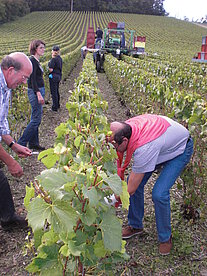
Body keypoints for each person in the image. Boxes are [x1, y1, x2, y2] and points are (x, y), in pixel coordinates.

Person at [110, 114, 193, 255]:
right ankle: (135, 226)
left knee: (159, 194)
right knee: (134, 179)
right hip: (162, 144)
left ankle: (165, 238)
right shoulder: (128, 127)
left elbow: (130, 189)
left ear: (124, 141)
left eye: (114, 146)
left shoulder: (144, 147)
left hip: (179, 149)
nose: (113, 149)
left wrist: (109, 201)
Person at [0, 52, 33, 230]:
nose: (25, 82)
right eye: (24, 77)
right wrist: (11, 161)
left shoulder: (6, 88)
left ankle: (7, 218)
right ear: (11, 70)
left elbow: (2, 122)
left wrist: (13, 145)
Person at [18, 40, 45, 151]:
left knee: (35, 117)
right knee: (36, 120)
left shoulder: (36, 61)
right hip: (35, 92)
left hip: (38, 90)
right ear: (35, 49)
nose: (43, 50)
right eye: (41, 48)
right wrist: (38, 93)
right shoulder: (32, 61)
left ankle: (33, 143)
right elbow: (32, 79)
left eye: (44, 48)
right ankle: (21, 143)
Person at [48, 45, 63, 112]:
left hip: (53, 77)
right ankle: (58, 105)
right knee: (56, 91)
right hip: (58, 76)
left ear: (52, 51)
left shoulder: (53, 59)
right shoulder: (60, 58)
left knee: (53, 92)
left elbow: (50, 69)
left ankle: (54, 107)